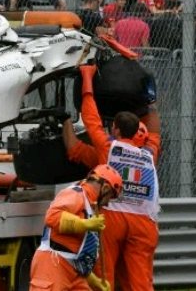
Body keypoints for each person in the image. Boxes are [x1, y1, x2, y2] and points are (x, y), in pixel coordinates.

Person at [63, 63, 162, 291]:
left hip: (113, 217)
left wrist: (87, 79)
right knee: (140, 282)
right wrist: (150, 103)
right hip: (144, 221)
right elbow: (155, 131)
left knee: (104, 276)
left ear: (116, 129)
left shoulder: (109, 148)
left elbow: (90, 119)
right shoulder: (150, 153)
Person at [30, 164, 123, 291]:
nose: (107, 203)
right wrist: (84, 224)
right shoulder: (76, 194)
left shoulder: (91, 206)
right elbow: (52, 217)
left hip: (73, 272)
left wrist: (95, 281)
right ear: (105, 188)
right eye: (110, 197)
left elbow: (75, 255)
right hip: (53, 265)